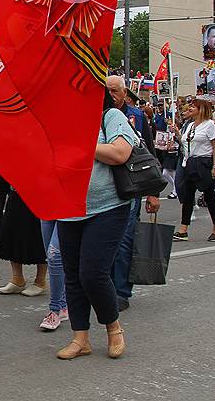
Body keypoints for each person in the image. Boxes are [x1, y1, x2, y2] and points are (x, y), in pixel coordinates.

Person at [55, 89, 135, 360]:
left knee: (93, 273)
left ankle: (113, 328)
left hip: (107, 207)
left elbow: (120, 153)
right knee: (73, 276)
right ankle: (80, 338)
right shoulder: (61, 122)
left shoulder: (110, 117)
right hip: (68, 208)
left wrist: (79, 144)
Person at [105, 75, 160, 311]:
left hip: (131, 185)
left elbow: (149, 153)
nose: (111, 95)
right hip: (104, 186)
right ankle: (104, 287)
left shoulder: (136, 116)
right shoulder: (97, 115)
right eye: (107, 90)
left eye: (115, 91)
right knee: (105, 242)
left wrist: (153, 193)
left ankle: (121, 291)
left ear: (124, 93)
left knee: (125, 240)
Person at [169, 99, 215, 242]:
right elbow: (187, 143)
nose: (190, 108)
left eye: (193, 106)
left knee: (209, 196)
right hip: (190, 162)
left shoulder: (209, 125)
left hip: (203, 162)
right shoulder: (191, 125)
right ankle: (183, 229)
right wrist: (177, 134)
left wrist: (214, 166)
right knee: (187, 196)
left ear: (201, 109)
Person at [0, 171, 48, 297]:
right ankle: (17, 279)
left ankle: (40, 281)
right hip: (15, 192)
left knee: (39, 237)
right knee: (11, 234)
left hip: (40, 193)